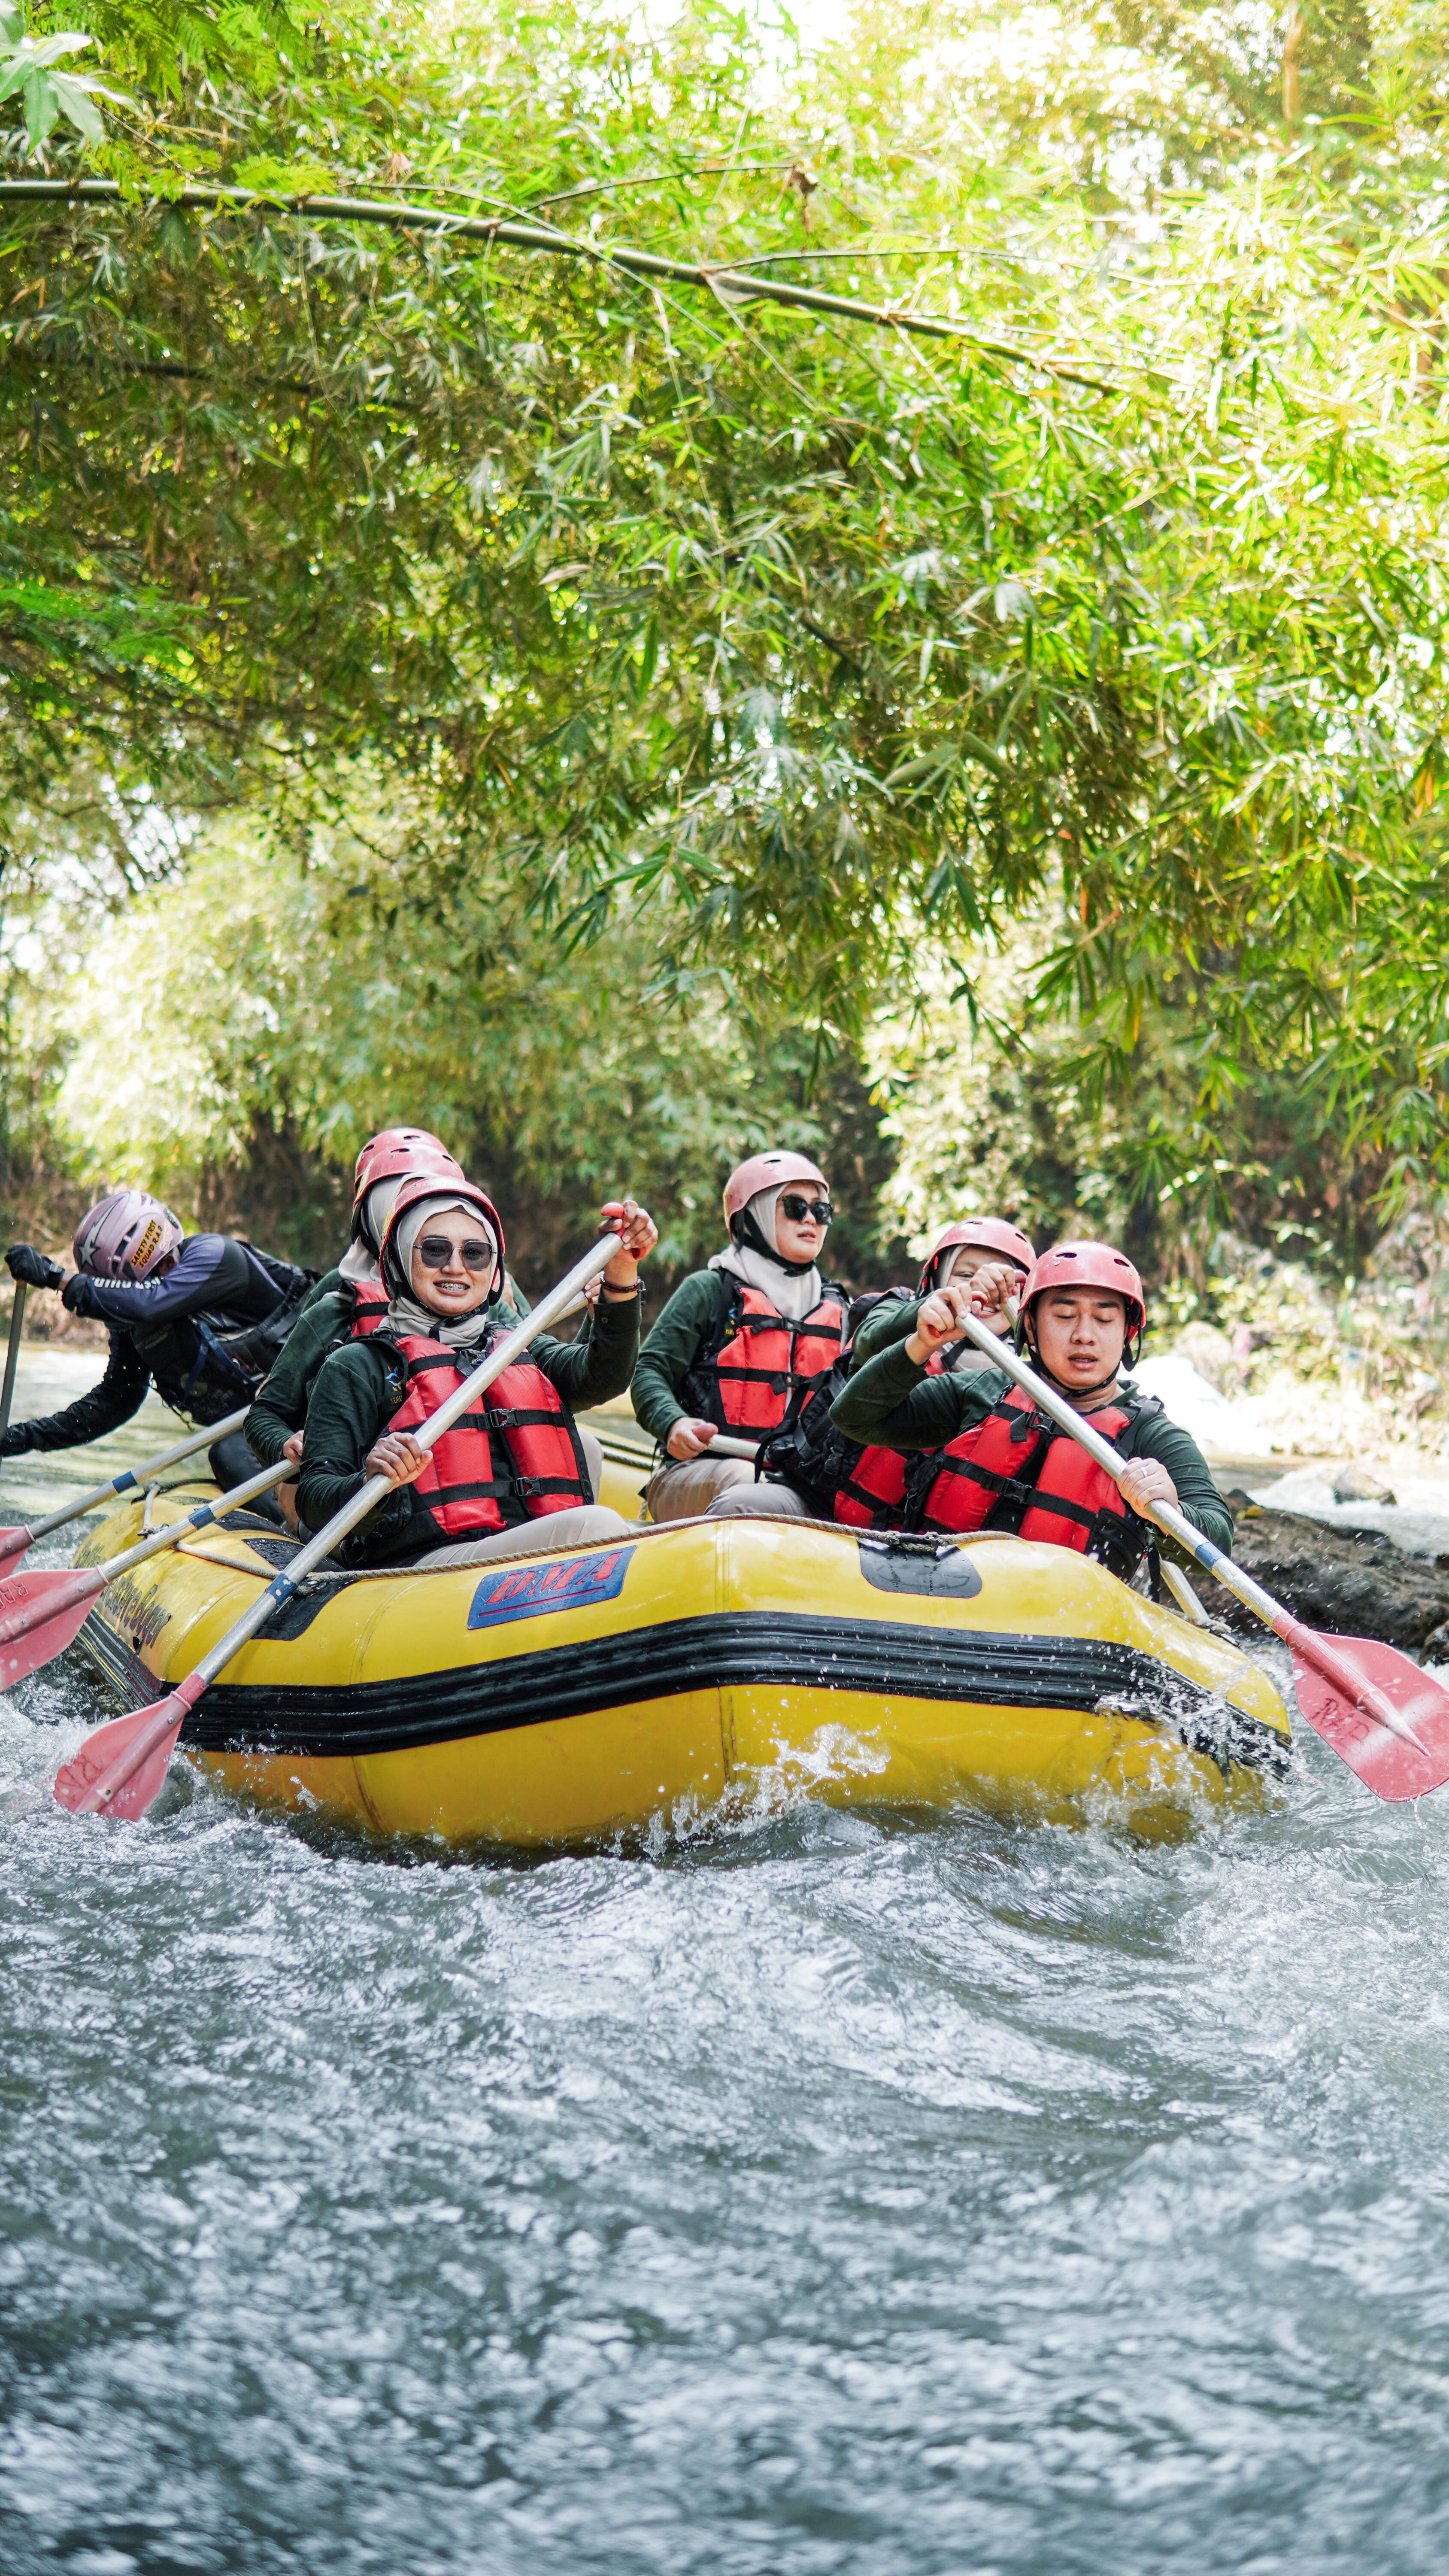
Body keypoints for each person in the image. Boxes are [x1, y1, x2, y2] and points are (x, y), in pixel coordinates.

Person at [296, 1177, 658, 1568]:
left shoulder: (519, 1345)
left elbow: (603, 1378)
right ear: (399, 1258)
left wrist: (621, 1273)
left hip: (515, 1558)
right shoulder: (356, 1365)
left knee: (586, 1451)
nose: (456, 1267)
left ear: (493, 1267)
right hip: (421, 1571)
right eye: (434, 1251)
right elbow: (314, 1499)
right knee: (597, 1524)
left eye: (475, 1253)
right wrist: (369, 1481)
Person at [829, 1238, 1231, 1577]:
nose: (1084, 1336)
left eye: (1105, 1320)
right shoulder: (988, 1390)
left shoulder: (1152, 1434)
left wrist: (1171, 1510)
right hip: (940, 1594)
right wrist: (923, 1343)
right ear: (1032, 1328)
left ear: (1127, 1334)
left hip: (1058, 1637)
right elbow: (856, 1418)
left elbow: (1218, 1540)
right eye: (1064, 1315)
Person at [1, 1193, 313, 1512]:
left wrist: (57, 1278)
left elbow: (152, 1302)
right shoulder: (136, 1322)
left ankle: (303, 1535)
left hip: (317, 1405)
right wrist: (25, 1437)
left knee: (227, 1454)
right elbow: (115, 1402)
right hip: (268, 1432)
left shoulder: (215, 1256)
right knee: (230, 1454)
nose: (165, 1271)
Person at [246, 1128, 475, 1524]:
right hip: (347, 1488)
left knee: (587, 1448)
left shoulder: (483, 1291)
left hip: (452, 1474)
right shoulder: (338, 1302)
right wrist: (284, 1442)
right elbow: (264, 1412)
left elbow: (557, 1374)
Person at [760, 1221, 1031, 1528]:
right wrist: (932, 1318)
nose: (983, 1290)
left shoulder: (1023, 1388)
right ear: (937, 1280)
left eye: (1001, 1283)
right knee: (743, 1506)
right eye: (966, 1276)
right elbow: (870, 1342)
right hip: (811, 1502)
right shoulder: (897, 1309)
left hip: (908, 1546)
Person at [631, 1151, 851, 1523]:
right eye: (796, 1207)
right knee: (743, 1478)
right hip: (697, 1475)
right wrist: (674, 1423)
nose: (812, 1218)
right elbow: (648, 1371)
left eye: (822, 1210)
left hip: (793, 1485)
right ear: (753, 1216)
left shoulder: (841, 1310)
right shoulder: (709, 1291)